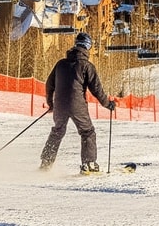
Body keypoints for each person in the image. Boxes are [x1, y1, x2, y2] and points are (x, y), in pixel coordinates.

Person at [40, 33, 116, 174]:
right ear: (87, 47)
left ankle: (46, 162)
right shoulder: (86, 66)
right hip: (77, 105)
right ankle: (89, 164)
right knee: (87, 132)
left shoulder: (61, 64)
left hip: (60, 105)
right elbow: (97, 89)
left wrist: (51, 103)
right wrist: (107, 104)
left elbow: (50, 84)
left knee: (57, 131)